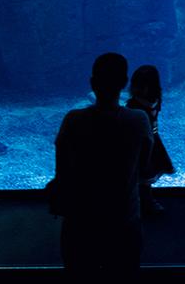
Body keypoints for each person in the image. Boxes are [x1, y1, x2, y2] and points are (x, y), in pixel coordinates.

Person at [52, 53, 153, 282]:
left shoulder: (73, 120)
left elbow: (61, 171)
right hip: (123, 222)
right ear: (125, 83)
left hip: (80, 224)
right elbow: (145, 168)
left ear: (92, 82)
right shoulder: (138, 120)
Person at [125, 65, 175, 216]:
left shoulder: (141, 103)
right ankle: (146, 202)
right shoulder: (147, 102)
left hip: (146, 140)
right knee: (144, 174)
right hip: (147, 140)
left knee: (143, 173)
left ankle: (145, 202)